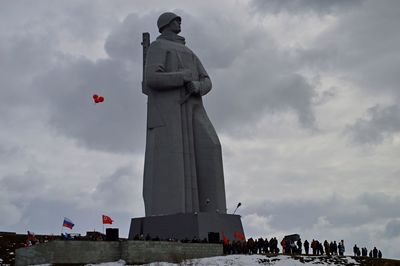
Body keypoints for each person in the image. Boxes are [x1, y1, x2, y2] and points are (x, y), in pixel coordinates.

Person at [143, 12, 227, 216]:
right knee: (174, 162)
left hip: (194, 107)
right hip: (168, 112)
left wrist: (197, 85)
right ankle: (174, 212)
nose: (179, 22)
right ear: (165, 24)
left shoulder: (188, 51)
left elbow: (207, 80)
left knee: (211, 146)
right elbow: (151, 78)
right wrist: (181, 77)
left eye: (179, 19)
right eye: (175, 20)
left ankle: (214, 212)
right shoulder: (158, 47)